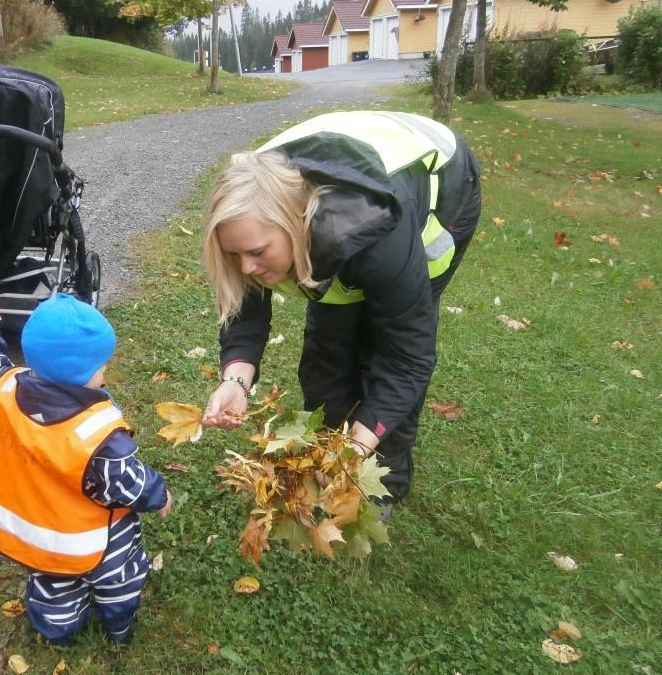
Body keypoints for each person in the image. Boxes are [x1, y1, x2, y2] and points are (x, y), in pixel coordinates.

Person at [201, 111, 482, 520]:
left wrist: (360, 446)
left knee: (381, 347)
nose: (245, 268)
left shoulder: (376, 234)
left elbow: (408, 359)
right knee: (328, 347)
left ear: (297, 224)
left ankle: (380, 481)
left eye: (258, 253)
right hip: (340, 213)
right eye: (233, 255)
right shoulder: (248, 210)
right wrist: (236, 381)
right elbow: (245, 308)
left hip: (444, 182)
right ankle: (326, 456)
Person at [0, 294, 172, 645]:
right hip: (97, 545)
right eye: (100, 365)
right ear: (79, 374)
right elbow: (125, 484)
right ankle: (119, 631)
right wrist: (159, 494)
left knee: (53, 594)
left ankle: (58, 633)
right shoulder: (97, 436)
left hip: (37, 540)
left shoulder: (2, 392)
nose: (105, 371)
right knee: (119, 586)